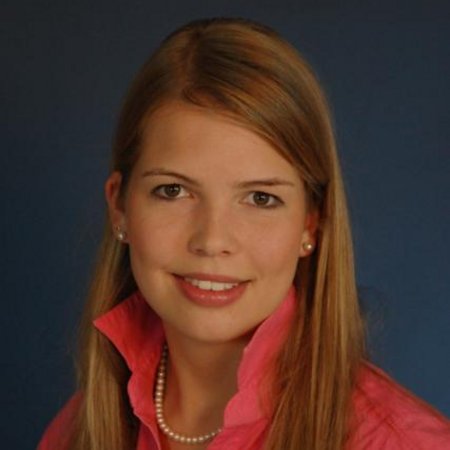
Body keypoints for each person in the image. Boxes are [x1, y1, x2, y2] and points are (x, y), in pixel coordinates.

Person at [38, 17, 450, 450]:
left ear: (311, 223)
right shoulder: (74, 433)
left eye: (260, 198)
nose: (212, 240)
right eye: (173, 191)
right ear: (120, 208)